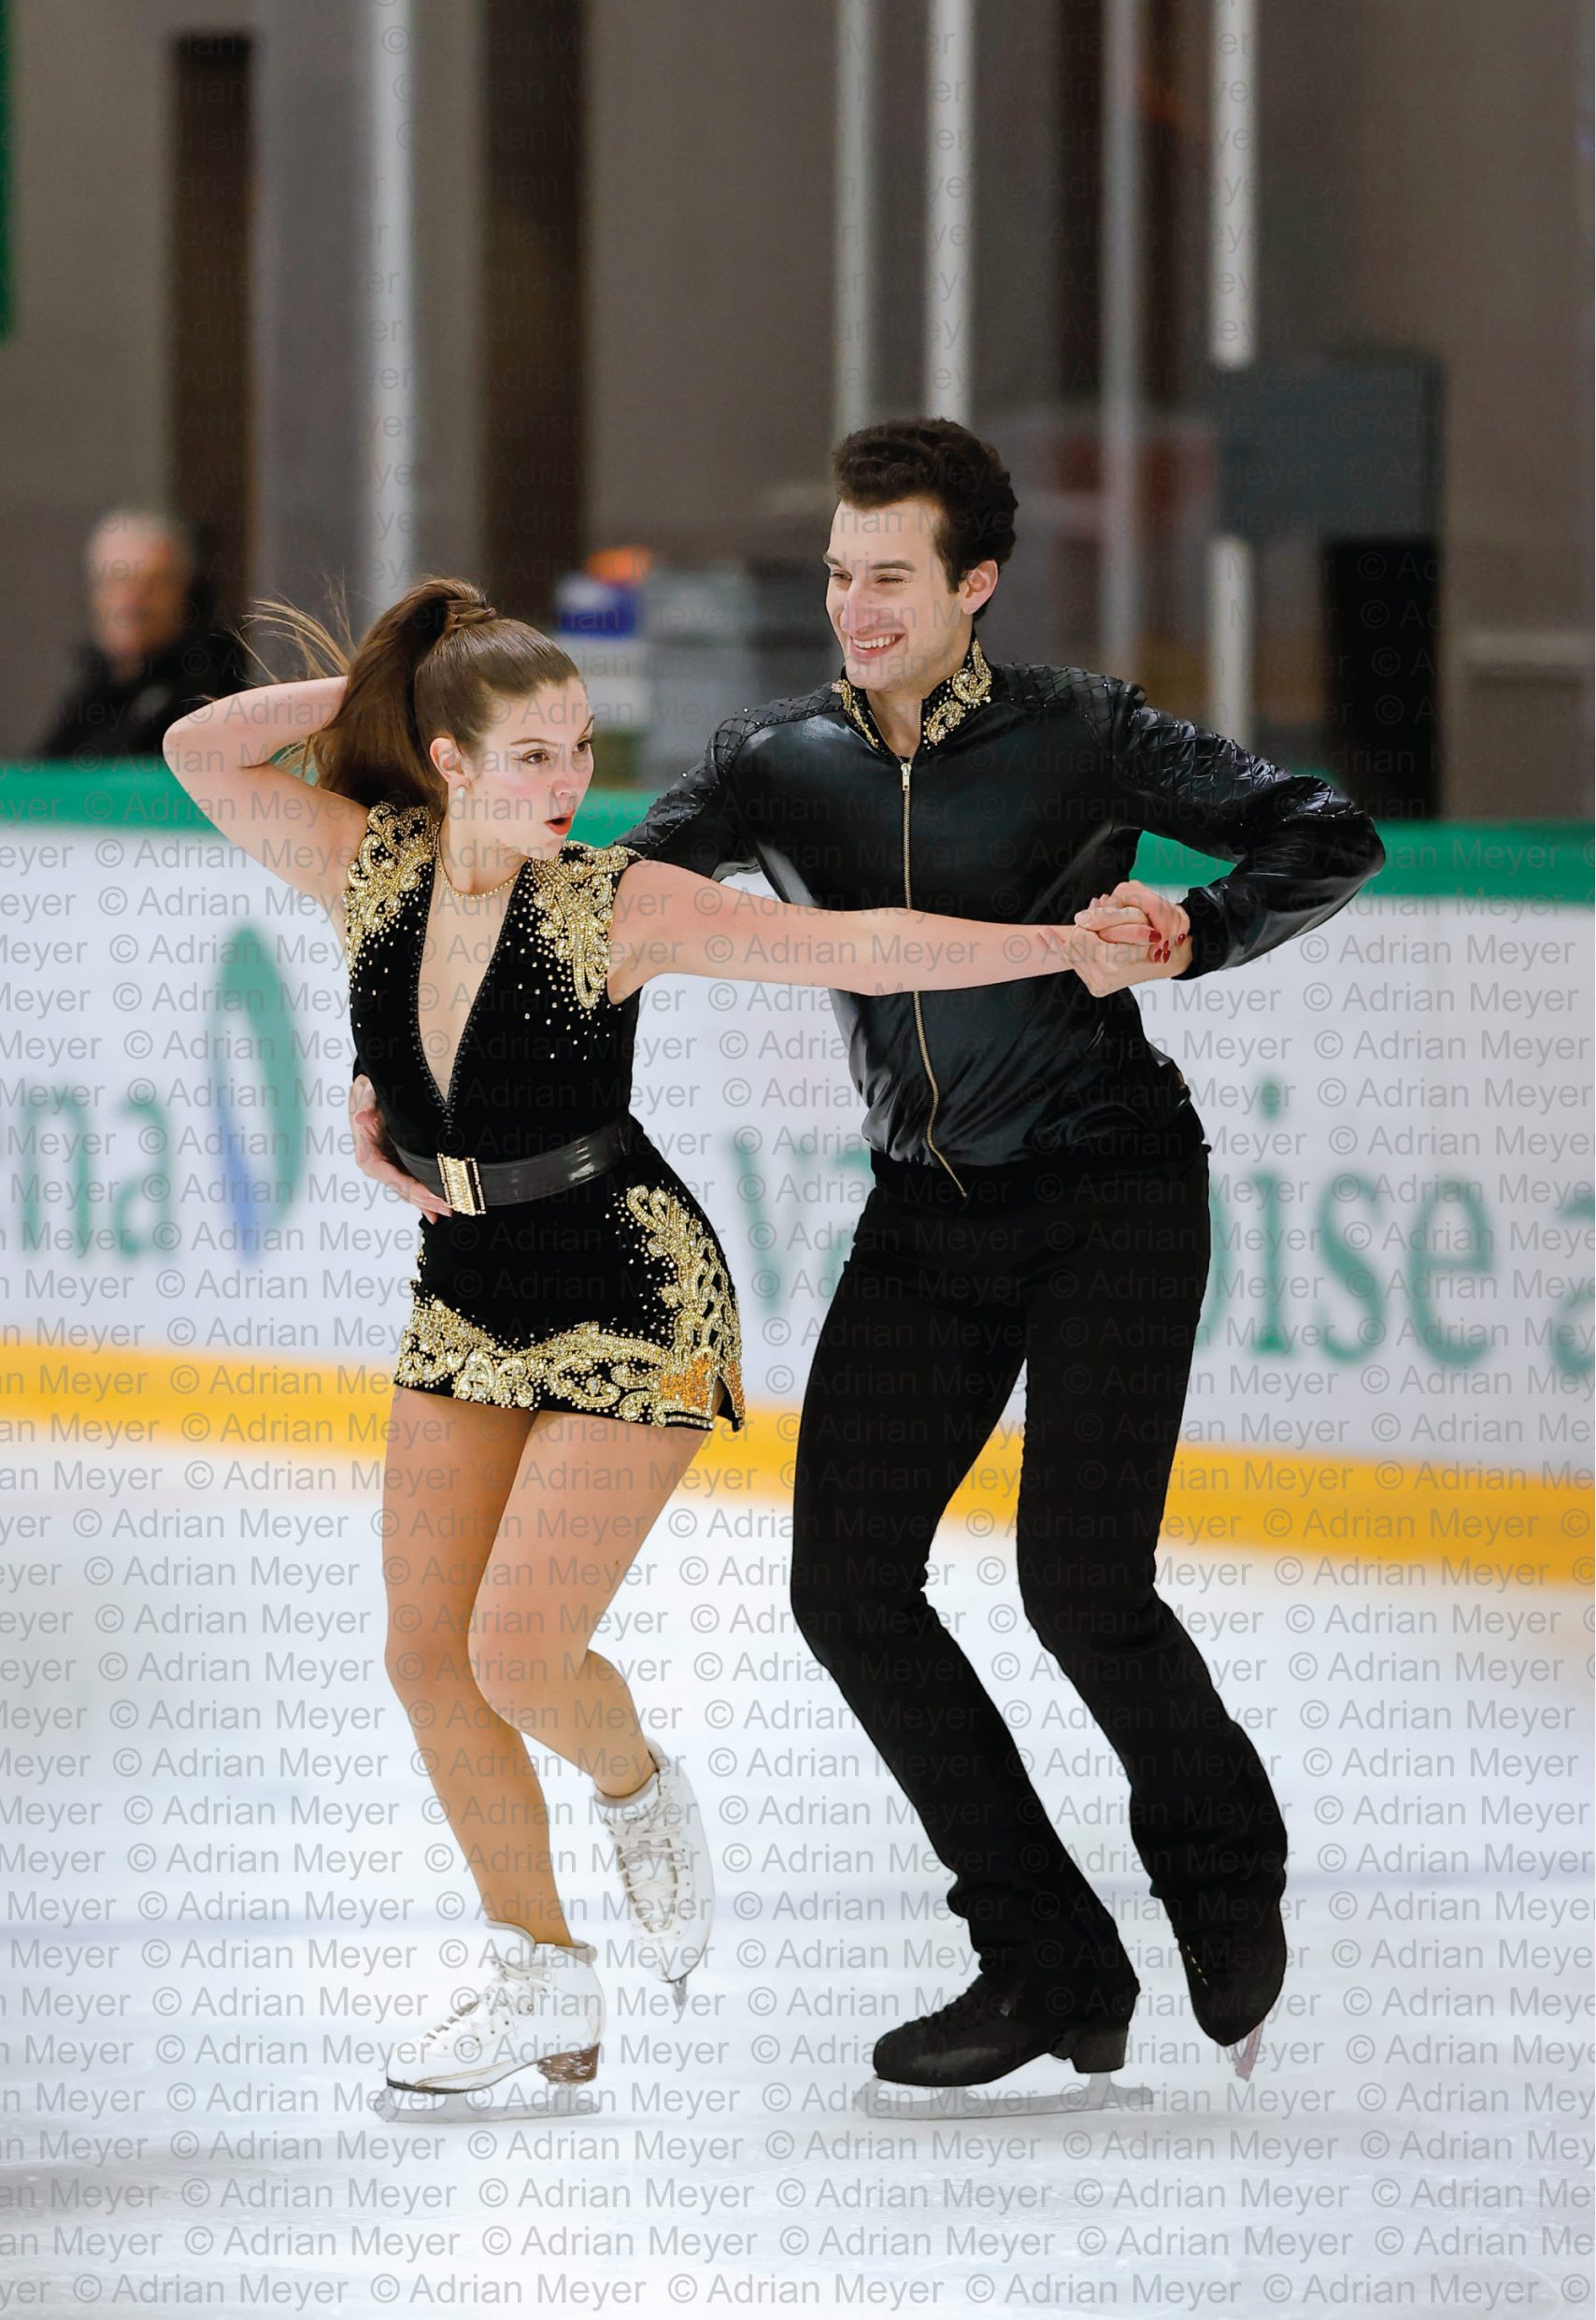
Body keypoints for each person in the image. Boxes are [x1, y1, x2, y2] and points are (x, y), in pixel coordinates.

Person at [164, 573, 1165, 2109]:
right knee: (427, 1661)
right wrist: (388, 677)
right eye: (532, 756)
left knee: (512, 1653)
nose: (572, 783)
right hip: (469, 1283)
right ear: (444, 759)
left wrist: (1057, 953)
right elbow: (198, 749)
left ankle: (634, 1787)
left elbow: (867, 947)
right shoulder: (370, 866)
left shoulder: (615, 902)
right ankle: (540, 1982)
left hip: (633, 1290)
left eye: (579, 747)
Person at [492, 416, 1384, 2095]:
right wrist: (427, 1008)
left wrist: (1193, 929)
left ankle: (1221, 1874)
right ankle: (1044, 1958)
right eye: (838, 577)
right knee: (843, 1588)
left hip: (1112, 1191)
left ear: (974, 584)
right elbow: (604, 911)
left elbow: (1321, 830)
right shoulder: (775, 762)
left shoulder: (1081, 733)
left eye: (890, 577)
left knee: (1081, 1590)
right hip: (926, 1214)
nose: (856, 608)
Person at [38, 508, 249, 758]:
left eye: (154, 584)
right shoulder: (91, 693)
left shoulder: (215, 687)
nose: (131, 602)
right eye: (116, 581)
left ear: (186, 592)